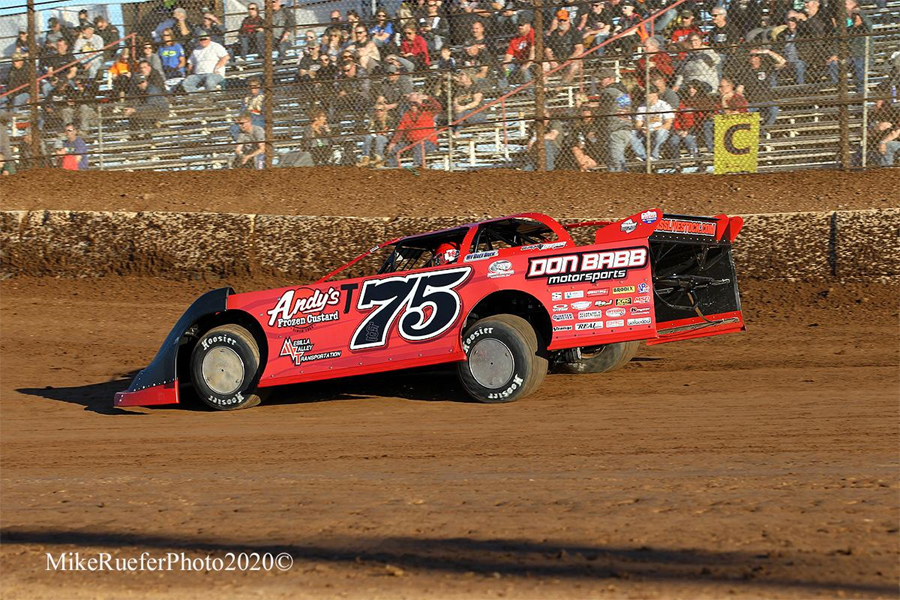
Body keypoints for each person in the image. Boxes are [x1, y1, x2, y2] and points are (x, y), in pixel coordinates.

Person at [387, 92, 442, 167]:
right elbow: (400, 130)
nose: (413, 106)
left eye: (415, 103)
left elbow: (438, 107)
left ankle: (418, 166)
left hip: (428, 142)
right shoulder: (407, 114)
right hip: (411, 142)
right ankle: (393, 167)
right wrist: (393, 142)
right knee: (394, 149)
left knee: (419, 145)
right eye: (411, 103)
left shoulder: (427, 111)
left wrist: (429, 98)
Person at [595, 68, 633, 172]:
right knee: (616, 161)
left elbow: (603, 112)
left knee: (615, 163)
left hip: (615, 130)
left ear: (611, 79)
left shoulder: (608, 92)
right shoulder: (623, 91)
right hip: (626, 128)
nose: (599, 81)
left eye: (602, 79)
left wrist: (597, 127)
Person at [738, 47, 786, 127]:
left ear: (760, 57)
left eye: (756, 55)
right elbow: (740, 88)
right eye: (751, 56)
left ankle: (764, 129)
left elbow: (782, 62)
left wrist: (768, 52)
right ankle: (751, 130)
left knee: (774, 109)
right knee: (744, 113)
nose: (753, 58)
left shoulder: (766, 67)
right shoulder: (745, 71)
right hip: (751, 102)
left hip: (767, 100)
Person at [123, 73, 170, 138]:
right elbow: (134, 102)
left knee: (143, 113)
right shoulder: (138, 90)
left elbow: (152, 106)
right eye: (139, 83)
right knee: (135, 114)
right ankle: (135, 136)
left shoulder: (152, 90)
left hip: (160, 111)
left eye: (143, 82)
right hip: (151, 110)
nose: (142, 84)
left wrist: (134, 110)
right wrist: (130, 108)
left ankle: (148, 135)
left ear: (146, 81)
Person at [544, 10, 584, 82]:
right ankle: (544, 87)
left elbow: (579, 49)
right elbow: (547, 50)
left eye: (564, 20)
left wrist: (569, 60)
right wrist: (552, 61)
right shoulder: (554, 33)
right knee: (544, 65)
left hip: (570, 58)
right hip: (557, 59)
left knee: (574, 66)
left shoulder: (575, 31)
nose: (562, 22)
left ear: (568, 19)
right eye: (560, 20)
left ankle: (562, 86)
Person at [359, 101, 394, 166]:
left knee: (379, 138)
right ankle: (365, 158)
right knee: (368, 137)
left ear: (385, 111)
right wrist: (376, 134)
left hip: (387, 138)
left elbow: (391, 131)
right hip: (376, 136)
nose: (378, 112)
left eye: (381, 110)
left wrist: (383, 133)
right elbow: (370, 131)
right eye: (376, 110)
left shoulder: (389, 120)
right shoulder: (373, 120)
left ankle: (379, 158)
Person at [502, 19, 535, 87]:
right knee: (504, 70)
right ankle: (504, 91)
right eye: (518, 25)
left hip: (533, 61)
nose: (520, 27)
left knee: (525, 70)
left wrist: (527, 64)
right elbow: (509, 55)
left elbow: (533, 51)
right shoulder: (515, 39)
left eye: (522, 25)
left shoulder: (532, 33)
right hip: (519, 62)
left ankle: (530, 91)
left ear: (528, 26)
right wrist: (505, 65)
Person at [271, 0, 296, 65]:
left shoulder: (285, 11)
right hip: (275, 39)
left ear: (279, 2)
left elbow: (292, 23)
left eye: (274, 1)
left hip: (286, 39)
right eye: (270, 2)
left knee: (282, 47)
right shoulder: (269, 13)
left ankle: (277, 65)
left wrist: (285, 36)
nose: (272, 4)